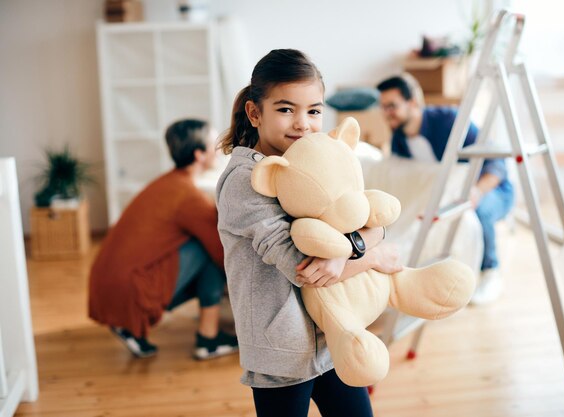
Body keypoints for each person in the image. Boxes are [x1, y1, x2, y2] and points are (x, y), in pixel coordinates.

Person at [216, 49, 402, 417]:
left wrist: (350, 248)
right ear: (255, 113)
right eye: (286, 109)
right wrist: (374, 256)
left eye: (314, 111)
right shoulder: (246, 182)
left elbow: (368, 218)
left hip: (330, 333)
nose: (303, 124)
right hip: (282, 351)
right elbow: (306, 269)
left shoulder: (313, 164)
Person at [89, 119, 238, 360]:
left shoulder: (169, 182)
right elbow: (221, 254)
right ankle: (208, 340)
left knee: (206, 248)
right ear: (199, 154)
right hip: (130, 291)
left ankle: (206, 337)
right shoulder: (188, 197)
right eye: (213, 144)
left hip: (108, 286)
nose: (218, 149)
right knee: (212, 250)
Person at [376, 74, 515, 305]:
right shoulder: (399, 139)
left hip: (491, 189)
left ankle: (490, 271)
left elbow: (495, 161)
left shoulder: (450, 121)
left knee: (477, 213)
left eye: (392, 106)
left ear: (413, 103)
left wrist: (477, 192)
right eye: (383, 108)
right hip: (446, 196)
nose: (386, 113)